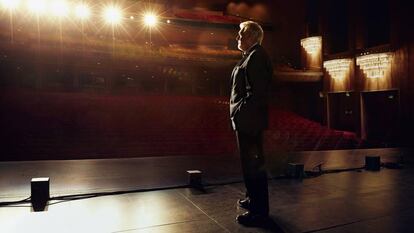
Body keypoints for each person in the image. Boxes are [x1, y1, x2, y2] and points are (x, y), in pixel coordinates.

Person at [229, 21, 272, 226]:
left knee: (254, 167)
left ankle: (259, 212)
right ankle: (252, 199)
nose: (238, 37)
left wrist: (240, 112)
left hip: (250, 120)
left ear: (252, 36)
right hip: (248, 119)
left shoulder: (257, 57)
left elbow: (258, 93)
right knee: (249, 165)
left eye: (241, 34)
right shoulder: (251, 56)